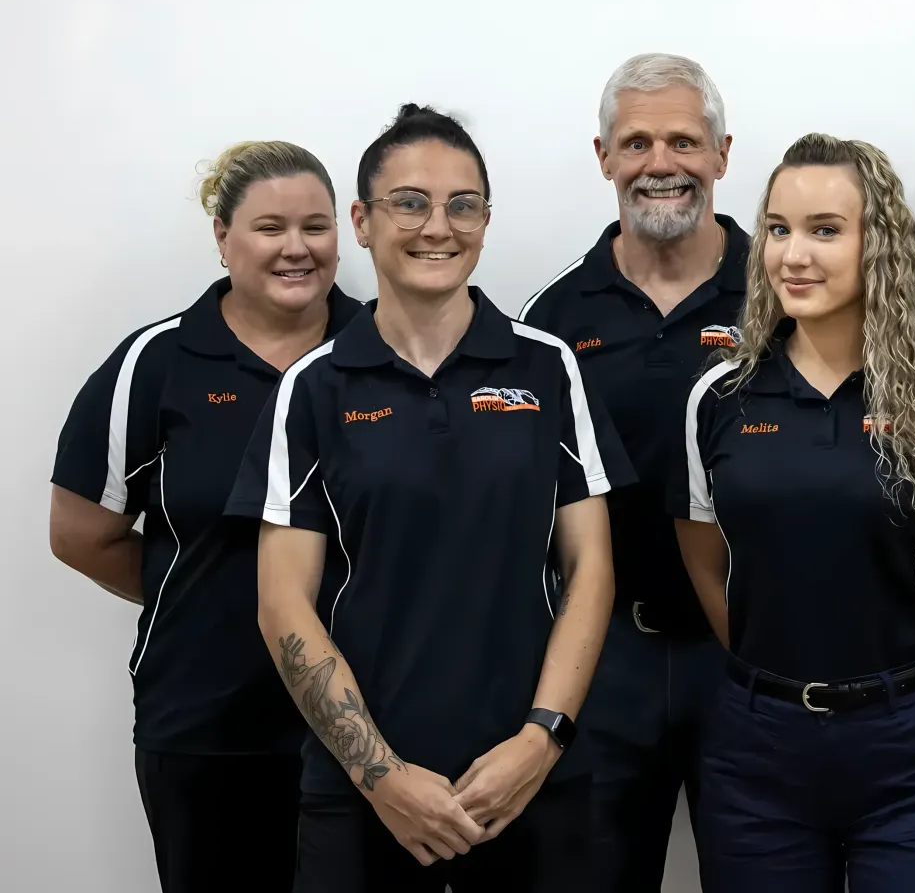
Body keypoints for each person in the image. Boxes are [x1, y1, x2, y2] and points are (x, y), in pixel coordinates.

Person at [228, 104, 631, 892]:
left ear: (485, 219)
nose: (437, 226)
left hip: (528, 785)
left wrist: (540, 741)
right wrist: (379, 775)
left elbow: (591, 570)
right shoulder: (314, 387)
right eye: (408, 202)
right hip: (363, 793)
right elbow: (282, 603)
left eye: (463, 204)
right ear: (363, 222)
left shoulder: (547, 367)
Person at [675, 132, 915, 892]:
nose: (793, 254)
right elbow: (706, 556)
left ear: (880, 245)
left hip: (913, 756)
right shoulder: (722, 395)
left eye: (825, 230)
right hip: (757, 750)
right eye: (778, 229)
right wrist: (776, 669)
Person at [49, 142, 361, 893]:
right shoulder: (155, 363)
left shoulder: (380, 350)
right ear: (222, 237)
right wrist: (211, 594)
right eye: (269, 227)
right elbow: (81, 534)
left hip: (369, 728)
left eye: (316, 226)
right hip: (204, 725)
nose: (297, 248)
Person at [517, 53, 747, 892]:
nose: (661, 162)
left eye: (684, 140)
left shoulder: (783, 294)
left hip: (749, 656)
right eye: (637, 141)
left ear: (722, 155)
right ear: (603, 155)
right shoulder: (550, 320)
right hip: (604, 658)